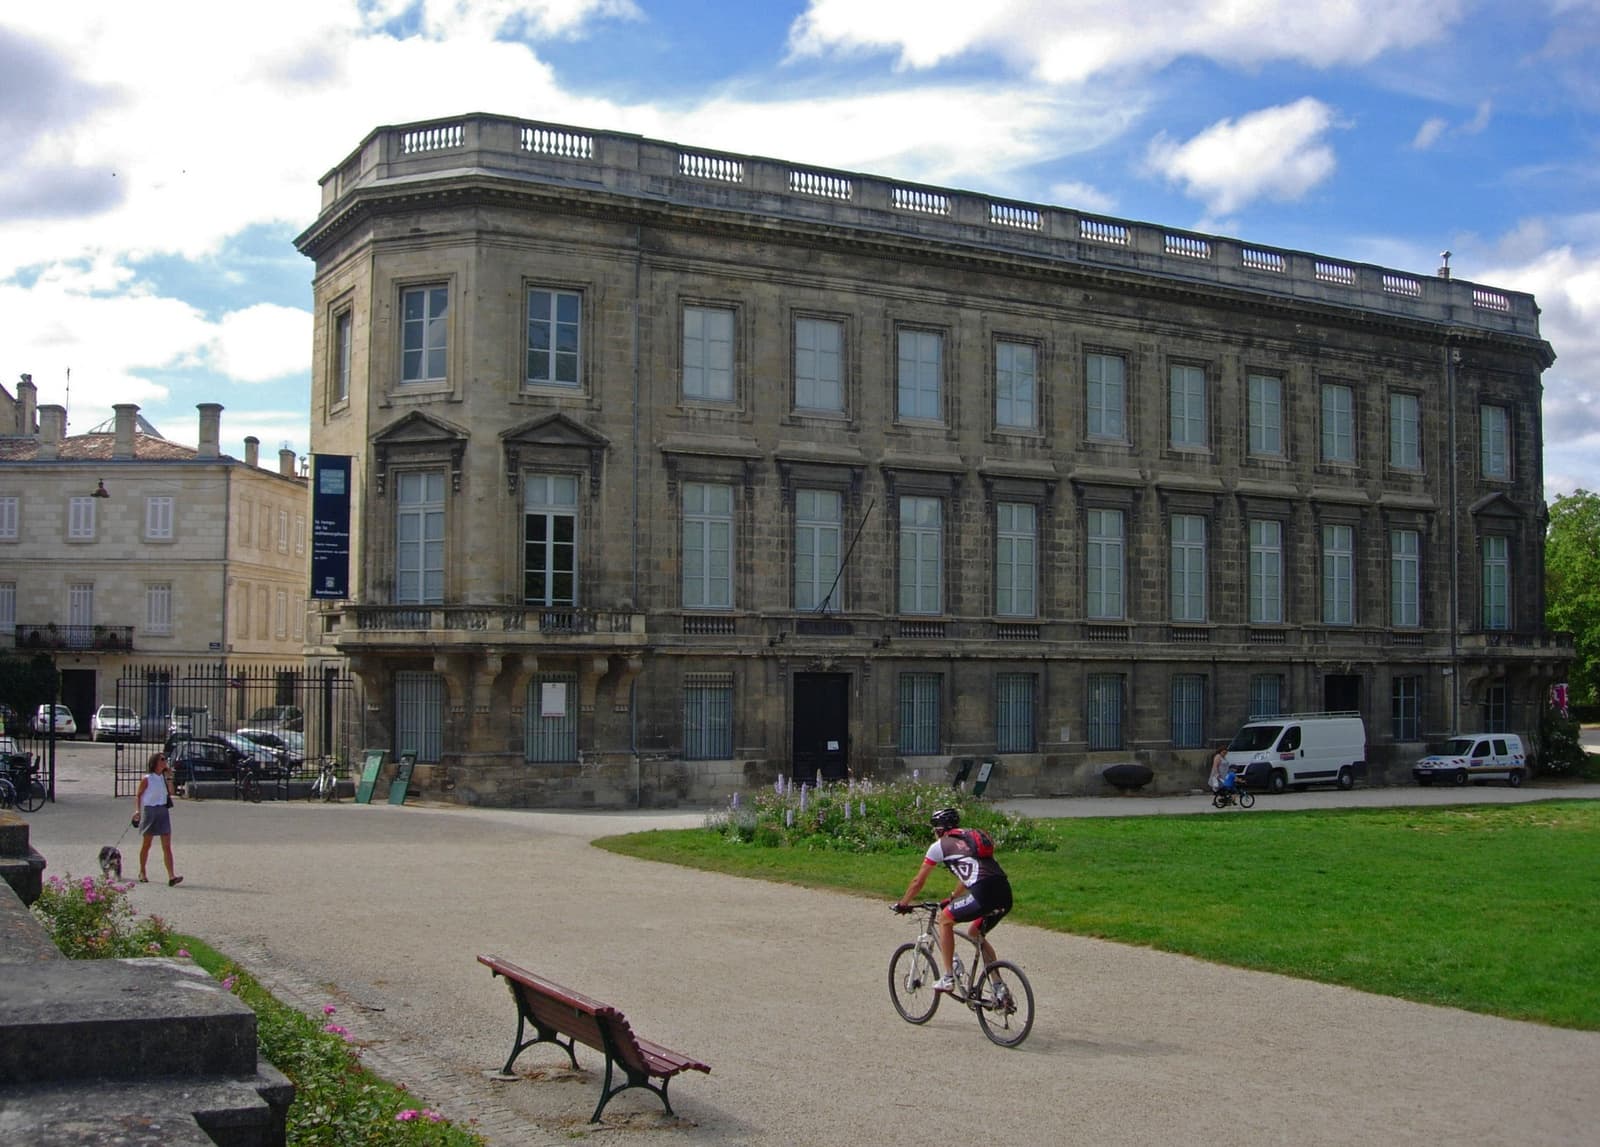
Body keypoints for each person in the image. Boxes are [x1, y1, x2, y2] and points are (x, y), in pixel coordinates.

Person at [892, 807, 1012, 992]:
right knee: (975, 934)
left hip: (983, 892)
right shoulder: (970, 837)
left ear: (939, 829)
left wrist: (903, 903)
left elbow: (918, 881)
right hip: (1004, 892)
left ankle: (948, 977)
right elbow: (970, 873)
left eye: (934, 829)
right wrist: (953, 898)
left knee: (945, 920)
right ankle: (999, 988)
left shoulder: (939, 846)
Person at [133, 752, 183, 886]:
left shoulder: (163, 778)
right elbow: (138, 795)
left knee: (167, 846)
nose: (165, 761)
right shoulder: (147, 779)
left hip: (163, 811)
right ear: (155, 762)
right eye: (162, 759)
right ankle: (142, 871)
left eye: (165, 759)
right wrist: (137, 811)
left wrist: (169, 778)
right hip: (150, 811)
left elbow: (171, 793)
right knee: (147, 844)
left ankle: (171, 875)